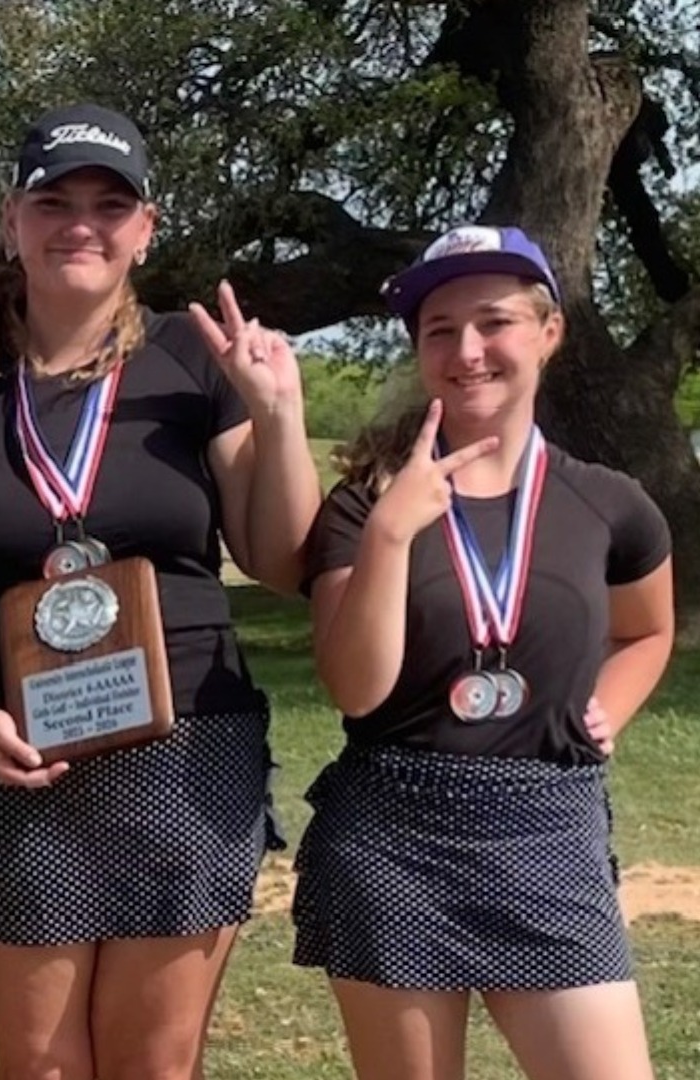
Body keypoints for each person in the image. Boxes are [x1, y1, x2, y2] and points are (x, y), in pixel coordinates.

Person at [0, 102, 321, 1079]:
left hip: (187, 746)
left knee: (155, 1066)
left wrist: (278, 418)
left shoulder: (191, 359)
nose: (82, 221)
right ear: (15, 216)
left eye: (109, 203)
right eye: (56, 199)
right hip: (19, 753)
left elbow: (282, 557)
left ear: (144, 227)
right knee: (38, 1066)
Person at [296, 226, 674, 1080]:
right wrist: (392, 532)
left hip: (550, 828)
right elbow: (356, 690)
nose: (468, 351)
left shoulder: (611, 504)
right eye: (440, 329)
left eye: (494, 322)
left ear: (549, 333)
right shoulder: (364, 508)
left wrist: (613, 697)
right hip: (395, 831)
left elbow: (648, 629)